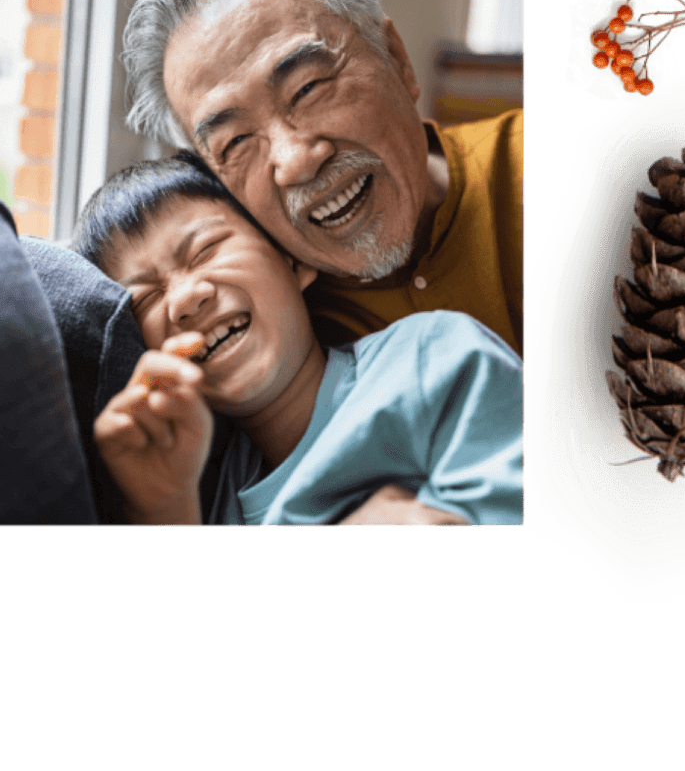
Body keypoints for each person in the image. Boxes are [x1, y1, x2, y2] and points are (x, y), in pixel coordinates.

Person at [122, 0, 524, 357]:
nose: (295, 162)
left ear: (396, 59)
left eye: (308, 88)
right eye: (236, 141)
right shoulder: (258, 337)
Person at [73, 156, 524, 527]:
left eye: (206, 249)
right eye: (146, 299)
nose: (185, 300)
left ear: (294, 257)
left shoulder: (433, 359)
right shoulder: (202, 498)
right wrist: (165, 510)